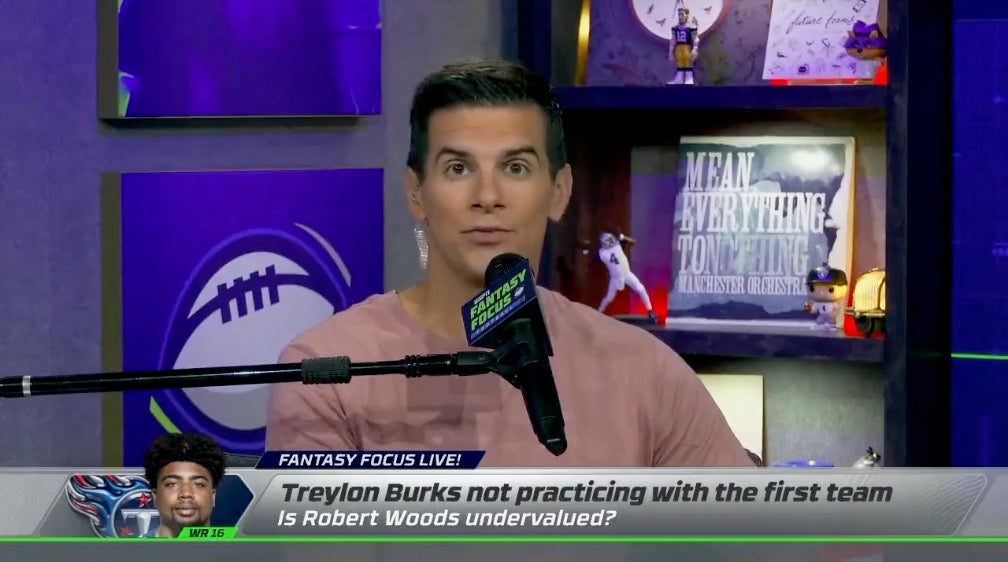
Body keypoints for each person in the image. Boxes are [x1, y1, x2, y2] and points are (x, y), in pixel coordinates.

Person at [265, 58, 755, 467]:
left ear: (559, 191)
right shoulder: (328, 371)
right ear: (416, 192)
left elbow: (749, 534)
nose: (487, 196)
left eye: (515, 167)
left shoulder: (645, 370)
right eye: (458, 168)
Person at [143, 432, 225, 538]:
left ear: (213, 496)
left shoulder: (240, 547)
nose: (186, 493)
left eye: (199, 484)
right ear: (155, 496)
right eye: (172, 484)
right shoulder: (130, 548)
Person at [594, 231, 659, 323]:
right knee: (609, 297)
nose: (612, 241)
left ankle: (650, 310)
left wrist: (623, 237)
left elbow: (632, 242)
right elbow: (592, 260)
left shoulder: (612, 248)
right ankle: (599, 312)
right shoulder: (604, 252)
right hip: (616, 278)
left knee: (641, 289)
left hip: (626, 274)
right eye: (610, 240)